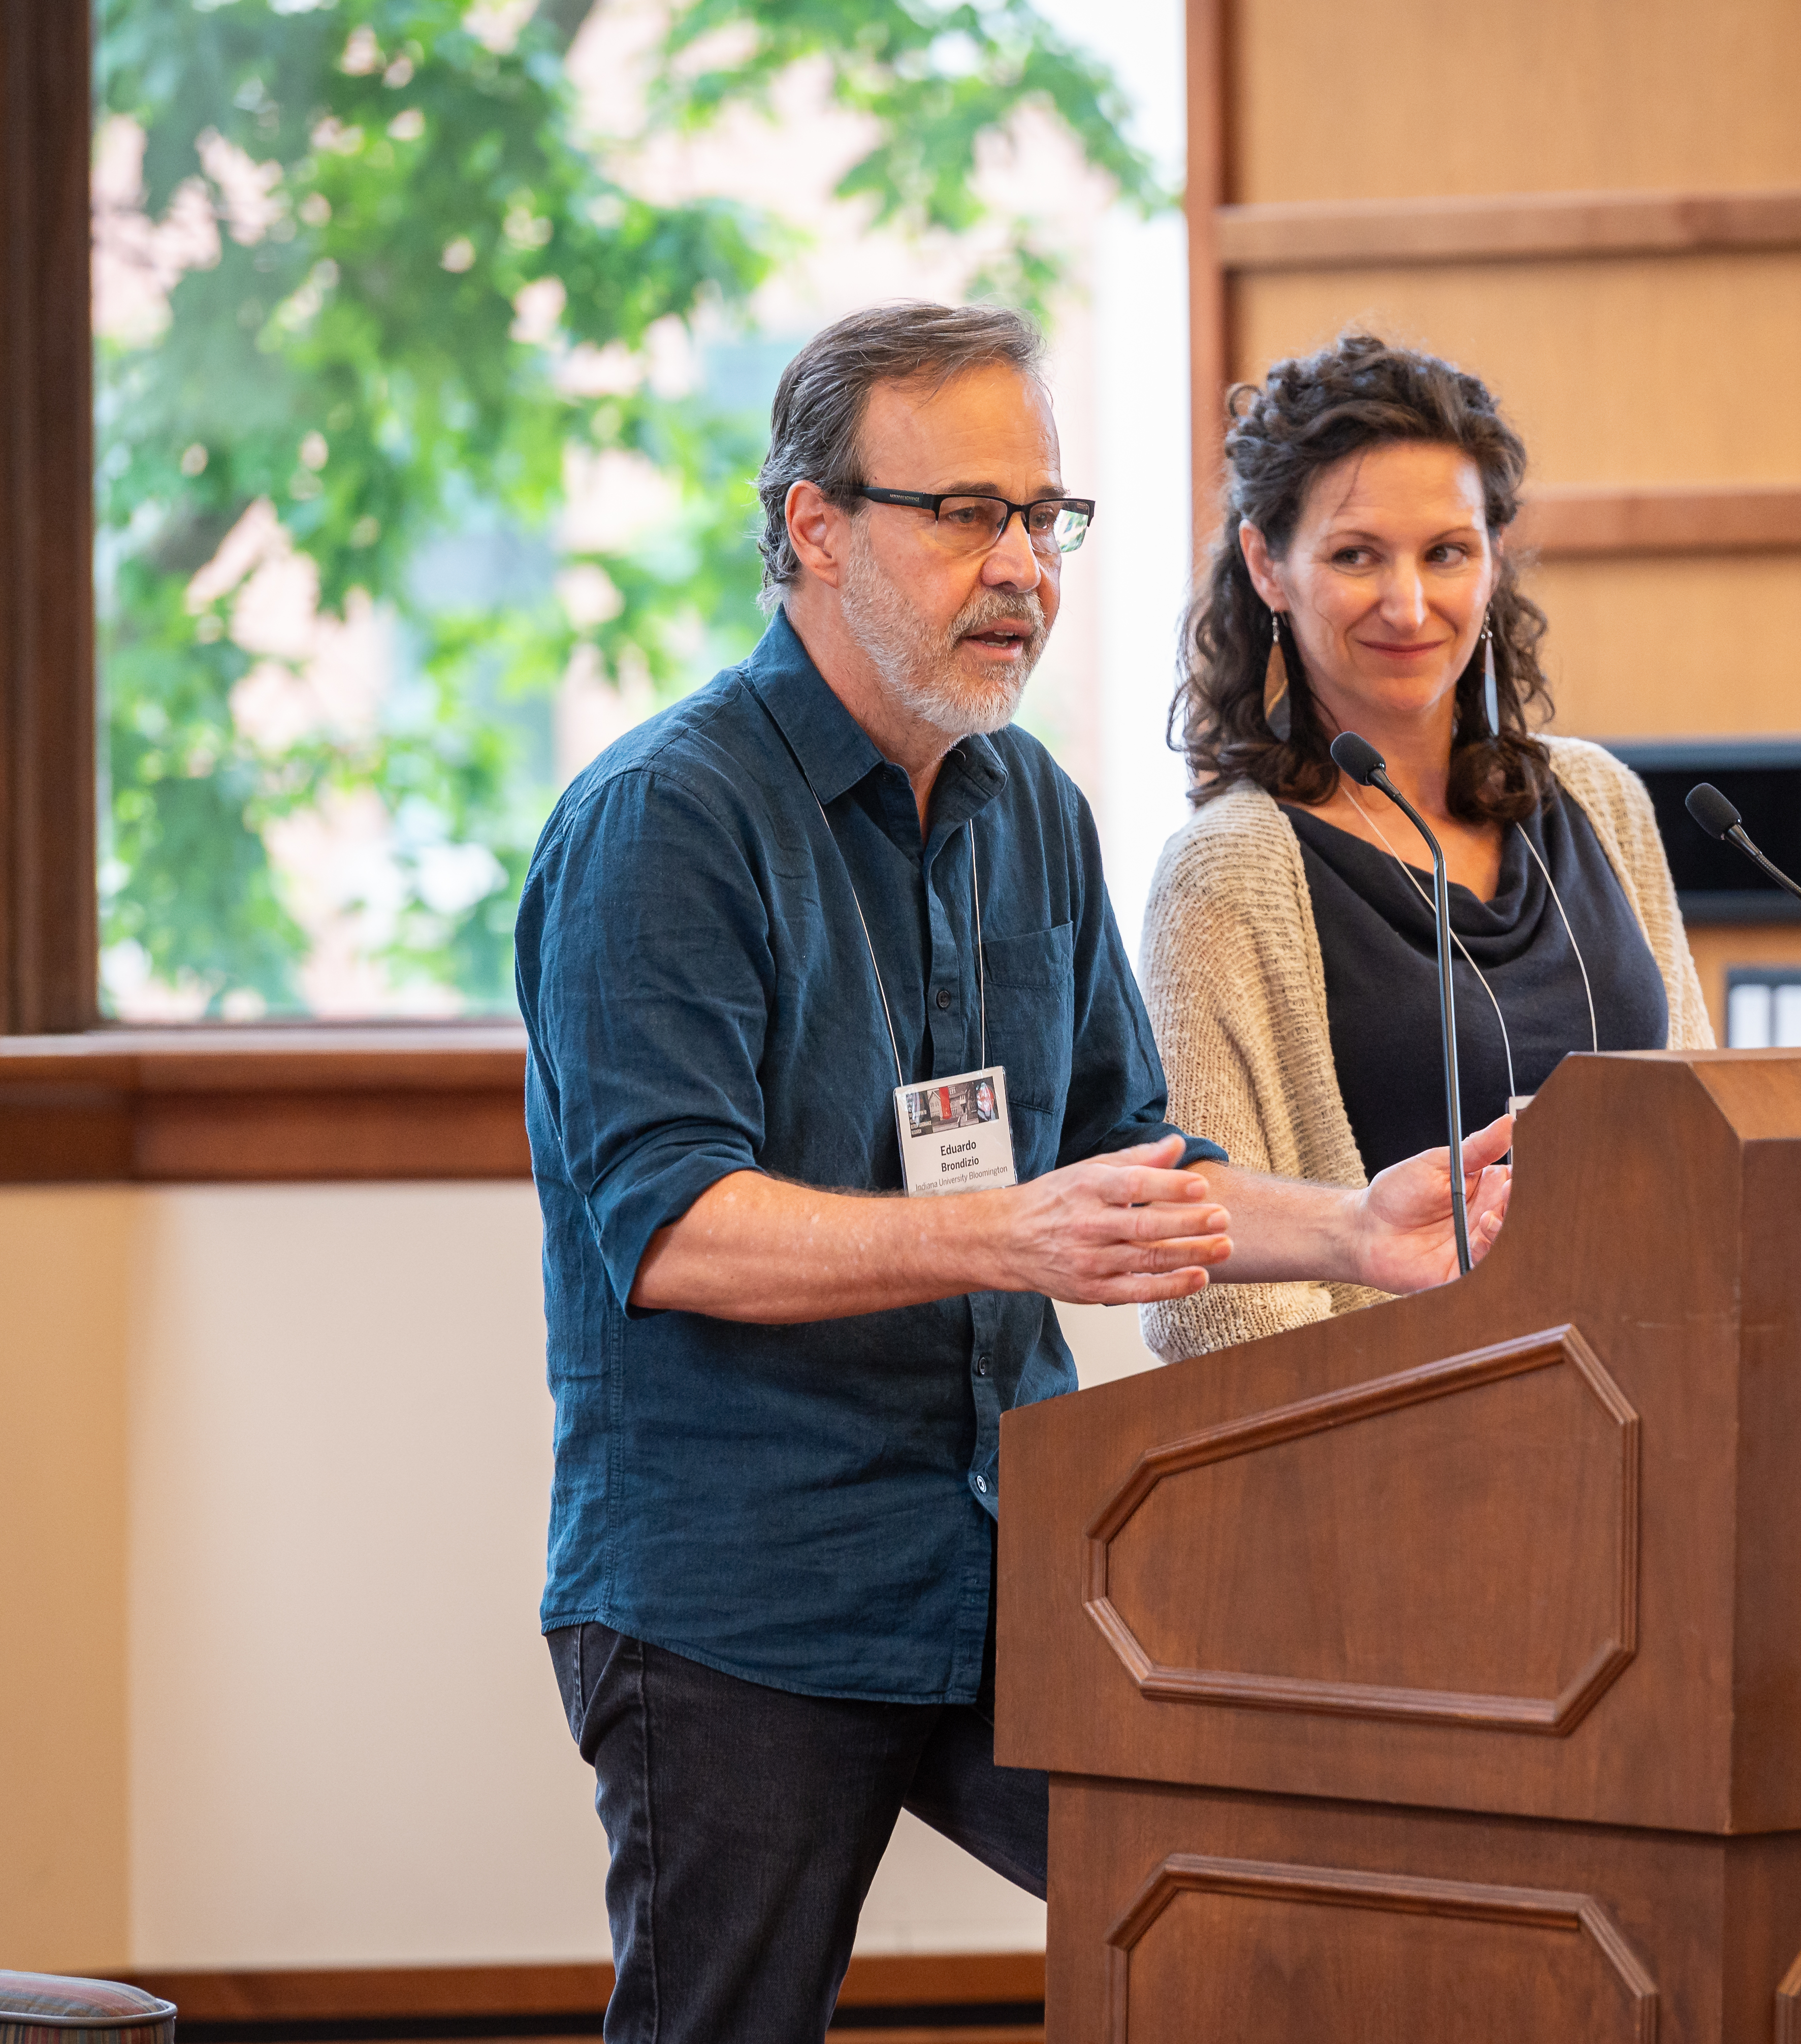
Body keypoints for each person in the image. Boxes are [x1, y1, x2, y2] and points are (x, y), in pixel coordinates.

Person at [514, 302, 1512, 2044]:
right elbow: (670, 1230)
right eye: (964, 512)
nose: (1022, 568)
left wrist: (1351, 1226)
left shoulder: (1025, 805)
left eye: (1043, 517)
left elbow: (1125, 1158)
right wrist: (1003, 1231)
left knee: (1249, 1916)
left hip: (1008, 1555)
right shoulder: (663, 819)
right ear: (814, 527)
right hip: (737, 1589)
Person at [1141, 331, 1712, 1365]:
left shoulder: (1602, 801)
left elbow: (1711, 1142)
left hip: (1653, 1407)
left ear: (1493, 558)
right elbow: (1203, 1283)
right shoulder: (1226, 875)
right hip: (1398, 1469)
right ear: (1268, 563)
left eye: (1446, 551)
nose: (1409, 604)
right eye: (1356, 554)